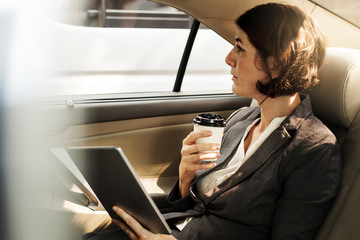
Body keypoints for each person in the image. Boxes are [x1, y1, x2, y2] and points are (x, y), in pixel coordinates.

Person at [83, 3, 342, 240]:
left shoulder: (314, 148)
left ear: (276, 61)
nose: (229, 58)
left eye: (240, 48)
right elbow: (198, 208)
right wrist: (185, 176)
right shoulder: (241, 119)